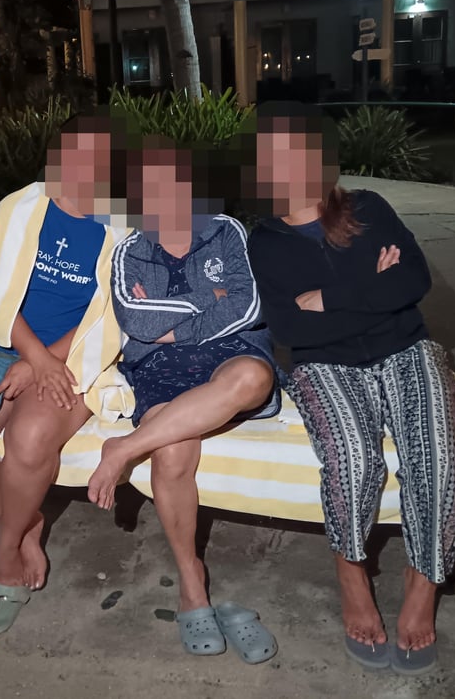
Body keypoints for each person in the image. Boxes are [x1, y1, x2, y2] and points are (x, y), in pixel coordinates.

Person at [245, 103, 455, 675]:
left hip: (407, 348)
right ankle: (351, 572)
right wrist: (372, 284)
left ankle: (423, 583)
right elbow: (291, 329)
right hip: (322, 365)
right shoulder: (265, 241)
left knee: (440, 455)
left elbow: (413, 282)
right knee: (353, 457)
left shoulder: (368, 208)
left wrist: (329, 297)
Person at [0, 113, 133, 637]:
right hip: (8, 346)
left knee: (32, 433)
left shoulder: (124, 226)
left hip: (81, 355)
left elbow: (109, 316)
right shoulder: (17, 209)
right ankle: (28, 522)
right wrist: (32, 359)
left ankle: (6, 553)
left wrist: (46, 363)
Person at [87, 135, 280, 663]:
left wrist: (177, 319)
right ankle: (192, 583)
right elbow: (138, 322)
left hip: (231, 353)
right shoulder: (130, 251)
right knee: (172, 452)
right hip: (160, 367)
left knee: (251, 379)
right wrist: (208, 301)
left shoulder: (226, 232)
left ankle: (124, 449)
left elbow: (248, 306)